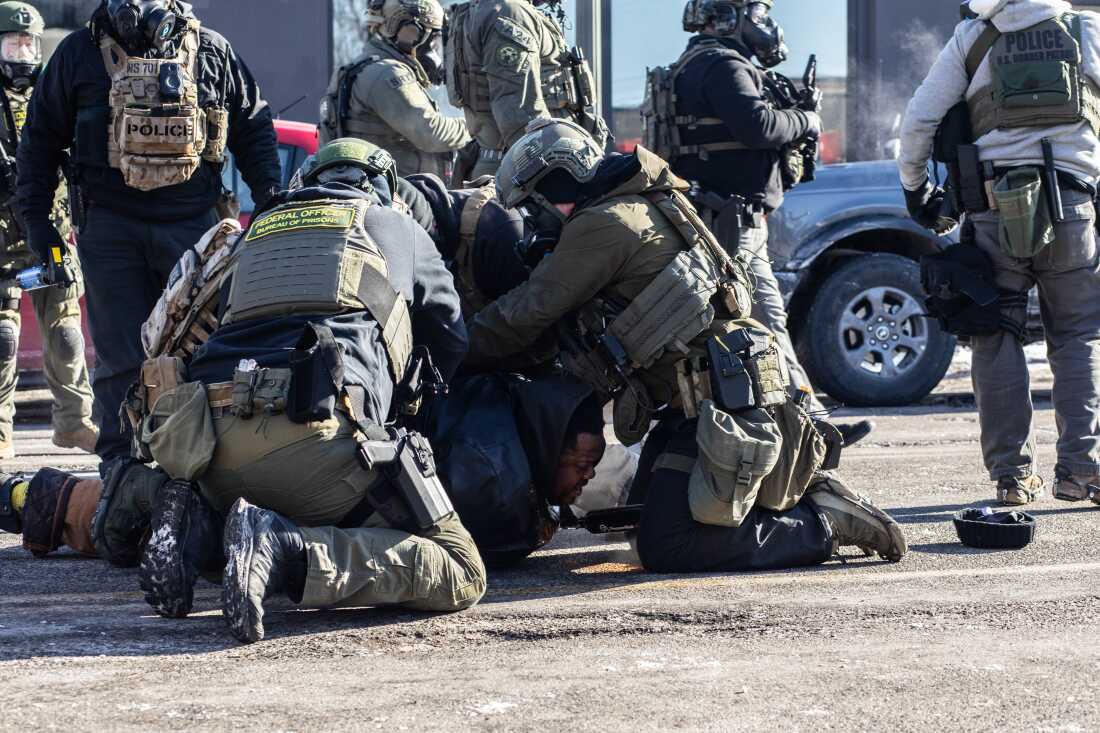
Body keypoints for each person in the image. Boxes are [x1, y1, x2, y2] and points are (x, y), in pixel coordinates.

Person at [464, 118, 907, 572]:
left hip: (718, 405)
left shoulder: (604, 224)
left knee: (669, 545)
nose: (536, 220)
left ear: (560, 181)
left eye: (536, 205)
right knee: (636, 520)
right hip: (704, 398)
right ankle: (796, 501)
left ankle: (822, 524)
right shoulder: (639, 203)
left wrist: (450, 350)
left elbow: (526, 313)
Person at [16, 0, 281, 463]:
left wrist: (271, 200)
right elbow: (38, 141)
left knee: (201, 355)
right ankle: (123, 475)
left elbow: (254, 129)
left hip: (195, 234)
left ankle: (201, 472)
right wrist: (40, 225)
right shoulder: (78, 54)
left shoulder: (212, 52)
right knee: (121, 363)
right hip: (110, 231)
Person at [899, 0, 1100, 507]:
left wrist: (916, 191)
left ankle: (1013, 477)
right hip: (1073, 204)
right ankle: (1083, 471)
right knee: (1078, 335)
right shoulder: (1086, 29)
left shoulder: (973, 38)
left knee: (996, 334)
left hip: (992, 209)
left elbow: (919, 121)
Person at [654, 0, 872, 447]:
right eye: (758, 14)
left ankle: (804, 423)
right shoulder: (721, 65)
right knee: (766, 322)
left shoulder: (700, 62)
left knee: (755, 325)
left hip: (724, 220)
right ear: (729, 19)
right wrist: (806, 120)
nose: (767, 25)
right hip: (729, 225)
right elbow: (757, 125)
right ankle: (810, 428)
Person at [0, 1, 96, 459]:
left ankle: (75, 423)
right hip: (1, 245)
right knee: (3, 341)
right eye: (13, 42)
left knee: (66, 336)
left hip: (49, 238)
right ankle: (0, 434)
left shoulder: (52, 92)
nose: (23, 51)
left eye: (29, 43)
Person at [425, 374, 605, 566]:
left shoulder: (521, 411)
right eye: (582, 465)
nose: (590, 475)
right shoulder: (497, 487)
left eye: (593, 465)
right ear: (552, 448)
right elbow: (501, 549)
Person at [444, 0, 608, 180]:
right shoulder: (510, 12)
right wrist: (555, 176)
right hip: (530, 169)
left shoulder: (497, 9)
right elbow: (520, 115)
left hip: (522, 165)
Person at [319, 0, 470, 179]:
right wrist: (475, 127)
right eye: (432, 40)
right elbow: (431, 133)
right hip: (399, 195)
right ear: (411, 33)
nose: (434, 50)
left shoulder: (362, 69)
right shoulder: (387, 73)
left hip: (377, 190)